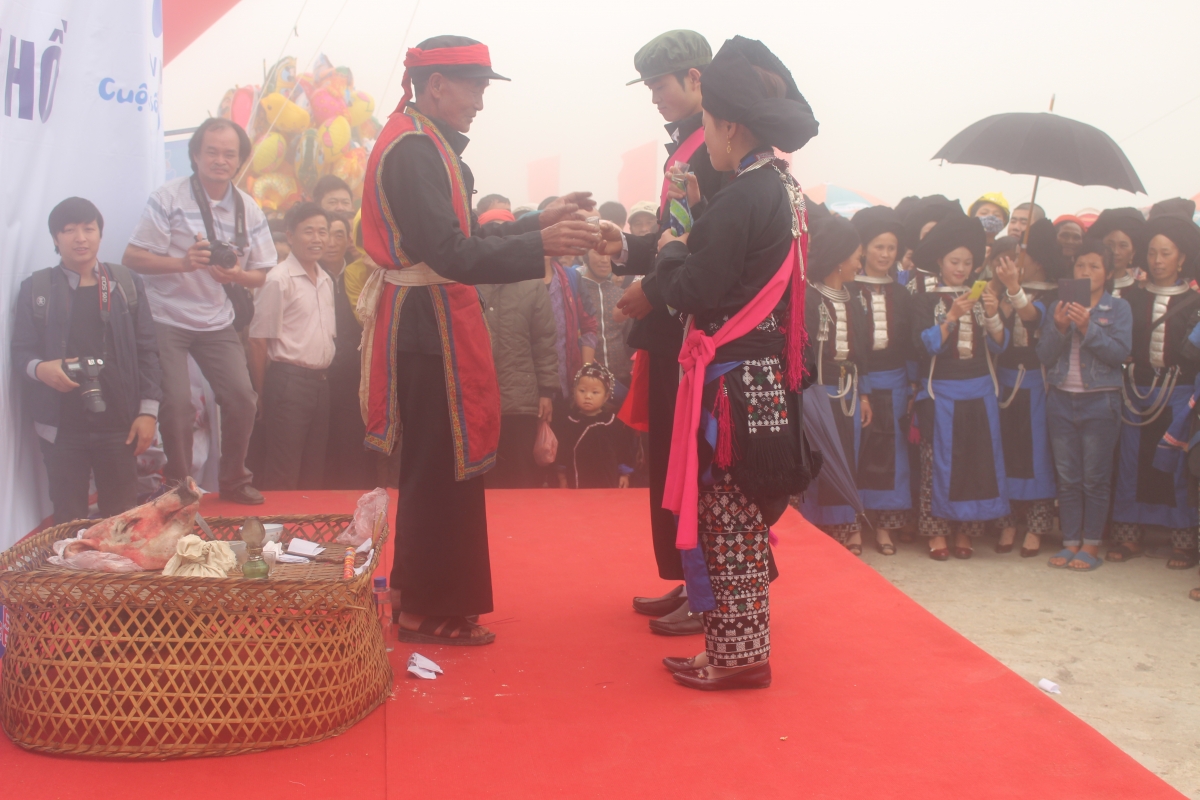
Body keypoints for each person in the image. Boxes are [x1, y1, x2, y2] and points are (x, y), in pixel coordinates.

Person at [357, 36, 601, 646]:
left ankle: (422, 596)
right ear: (436, 85)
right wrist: (538, 244)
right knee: (439, 470)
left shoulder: (422, 140)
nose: (481, 103)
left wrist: (538, 223)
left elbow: (461, 238)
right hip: (427, 325)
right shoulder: (415, 150)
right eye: (475, 88)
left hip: (432, 319)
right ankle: (425, 609)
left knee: (442, 467)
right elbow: (452, 253)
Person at [600, 35, 820, 689]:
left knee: (728, 521)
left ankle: (738, 658)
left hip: (732, 386)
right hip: (762, 380)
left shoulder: (744, 193)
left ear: (728, 126)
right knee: (739, 521)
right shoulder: (781, 187)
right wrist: (687, 233)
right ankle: (734, 648)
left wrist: (672, 247)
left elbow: (697, 287)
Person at [614, 29, 724, 636]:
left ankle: (709, 592)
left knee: (694, 467)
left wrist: (651, 292)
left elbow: (704, 251)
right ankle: (688, 579)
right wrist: (622, 249)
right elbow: (669, 240)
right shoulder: (686, 145)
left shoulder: (715, 148)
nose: (654, 97)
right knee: (671, 466)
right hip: (673, 333)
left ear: (695, 79)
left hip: (693, 334)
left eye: (659, 85)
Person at [123, 118, 276, 504]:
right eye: (212, 152)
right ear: (195, 155)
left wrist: (235, 274)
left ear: (239, 160)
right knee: (177, 404)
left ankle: (235, 480)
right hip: (166, 315)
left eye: (229, 154)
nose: (220, 160)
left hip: (216, 319)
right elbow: (132, 257)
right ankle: (180, 486)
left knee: (242, 397)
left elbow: (261, 275)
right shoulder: (169, 197)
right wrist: (183, 262)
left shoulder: (248, 209)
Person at [12, 198, 162, 523]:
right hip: (61, 427)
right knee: (69, 521)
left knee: (121, 523)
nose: (80, 238)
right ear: (55, 238)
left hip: (119, 423)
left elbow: (148, 350)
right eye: (69, 230)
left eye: (88, 228)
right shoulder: (37, 289)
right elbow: (21, 351)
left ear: (100, 234)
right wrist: (41, 369)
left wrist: (148, 413)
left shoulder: (125, 284)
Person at [911, 213, 1009, 560]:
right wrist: (951, 317)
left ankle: (966, 532)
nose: (961, 268)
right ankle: (937, 533)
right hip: (941, 392)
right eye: (955, 261)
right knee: (937, 464)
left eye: (968, 262)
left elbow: (998, 345)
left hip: (980, 390)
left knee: (974, 463)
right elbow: (922, 346)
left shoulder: (981, 295)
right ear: (940, 261)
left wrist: (993, 313)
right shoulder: (925, 299)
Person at [1108, 216, 1200, 570]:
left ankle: (1182, 541)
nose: (1157, 260)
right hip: (1136, 392)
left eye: (1166, 253)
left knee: (1175, 465)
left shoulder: (1194, 301)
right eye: (1151, 252)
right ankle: (1129, 535)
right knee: (1132, 461)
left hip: (1179, 394)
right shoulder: (1129, 297)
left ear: (1182, 258)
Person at [1036, 241, 1131, 571]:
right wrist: (1060, 327)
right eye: (1080, 265)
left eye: (1094, 266)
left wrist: (1089, 327)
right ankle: (1070, 542)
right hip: (1061, 398)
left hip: (1100, 400)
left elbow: (1119, 354)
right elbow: (1044, 355)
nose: (1085, 272)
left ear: (1108, 273)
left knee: (1095, 478)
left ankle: (1090, 544)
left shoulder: (1118, 308)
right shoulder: (1058, 305)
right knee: (1067, 478)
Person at [247, 202, 335, 490]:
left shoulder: (326, 279)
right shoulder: (278, 279)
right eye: (308, 231)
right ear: (290, 235)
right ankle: (279, 521)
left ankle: (308, 522)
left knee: (314, 469)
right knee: (283, 469)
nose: (317, 238)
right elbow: (258, 341)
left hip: (321, 384)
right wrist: (261, 394)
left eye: (323, 231)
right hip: (288, 383)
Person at [990, 220, 1061, 557]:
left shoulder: (1053, 294)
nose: (1016, 260)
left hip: (1036, 383)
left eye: (1022, 255)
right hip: (1003, 382)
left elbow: (1033, 317)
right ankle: (1007, 522)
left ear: (1039, 261)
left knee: (1037, 456)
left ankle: (1036, 526)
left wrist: (1014, 289)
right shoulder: (1001, 291)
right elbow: (997, 337)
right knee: (1006, 452)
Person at [802, 217, 873, 554]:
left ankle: (847, 525)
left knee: (848, 455)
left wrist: (865, 395)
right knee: (818, 459)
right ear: (840, 259)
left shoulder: (855, 298)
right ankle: (813, 528)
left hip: (850, 392)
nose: (860, 264)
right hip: (817, 392)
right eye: (857, 257)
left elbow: (863, 353)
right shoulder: (808, 298)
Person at [849, 205, 914, 554]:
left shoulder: (902, 294)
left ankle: (885, 528)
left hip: (895, 383)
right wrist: (861, 388)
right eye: (879, 247)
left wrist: (912, 384)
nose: (886, 254)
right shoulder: (848, 289)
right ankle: (854, 525)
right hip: (857, 383)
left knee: (892, 456)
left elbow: (911, 344)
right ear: (864, 249)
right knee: (857, 452)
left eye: (892, 248)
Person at [480, 274, 558, 488]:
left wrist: (546, 391)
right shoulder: (467, 281)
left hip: (521, 399)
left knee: (521, 478)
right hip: (477, 398)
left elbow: (544, 341)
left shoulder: (532, 284)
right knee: (483, 482)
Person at [323, 213, 377, 490]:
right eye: (326, 234)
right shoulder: (312, 274)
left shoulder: (355, 272)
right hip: (319, 373)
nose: (331, 242)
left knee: (353, 441)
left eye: (339, 235)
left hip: (354, 372)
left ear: (349, 240)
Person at [553, 363, 635, 489]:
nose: (588, 396)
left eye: (595, 392)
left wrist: (625, 475)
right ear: (574, 391)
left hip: (607, 483)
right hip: (577, 484)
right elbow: (562, 452)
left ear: (606, 396)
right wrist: (562, 477)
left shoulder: (611, 422)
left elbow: (623, 450)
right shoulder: (570, 422)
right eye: (582, 391)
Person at [578, 248, 633, 395]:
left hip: (622, 381)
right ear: (585, 255)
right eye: (598, 252)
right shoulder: (575, 292)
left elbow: (630, 340)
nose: (605, 259)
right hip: (585, 385)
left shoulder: (621, 295)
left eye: (610, 254)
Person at [1087, 207, 1147, 297]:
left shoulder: (1141, 292)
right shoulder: (1088, 288)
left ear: (1133, 252)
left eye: (1123, 246)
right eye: (1110, 244)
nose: (1115, 252)